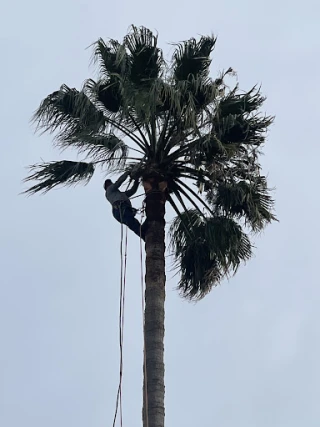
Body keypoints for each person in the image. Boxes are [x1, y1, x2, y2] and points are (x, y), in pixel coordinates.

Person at [104, 171, 147, 240]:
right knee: (133, 223)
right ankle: (145, 236)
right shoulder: (109, 190)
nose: (111, 184)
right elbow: (118, 182)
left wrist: (136, 181)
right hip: (119, 209)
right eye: (110, 183)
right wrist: (127, 173)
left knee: (133, 223)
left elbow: (132, 191)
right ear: (107, 185)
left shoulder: (121, 195)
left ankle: (145, 234)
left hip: (122, 210)